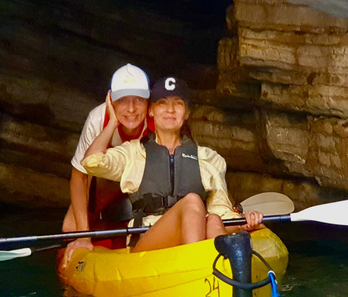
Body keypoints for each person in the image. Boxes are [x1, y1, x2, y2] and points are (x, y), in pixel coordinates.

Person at [81, 76, 263, 253]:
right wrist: (113, 122)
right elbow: (91, 162)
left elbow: (222, 211)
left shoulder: (208, 159)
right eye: (162, 103)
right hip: (148, 240)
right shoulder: (133, 154)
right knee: (192, 201)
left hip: (194, 234)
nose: (170, 110)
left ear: (187, 112)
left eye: (178, 103)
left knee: (214, 219)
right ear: (151, 111)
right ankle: (197, 266)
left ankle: (218, 272)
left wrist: (243, 222)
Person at [61, 63, 152, 263]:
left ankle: (129, 231)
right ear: (111, 99)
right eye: (123, 100)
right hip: (107, 182)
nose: (131, 109)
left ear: (148, 100)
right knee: (70, 228)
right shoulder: (98, 118)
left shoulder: (156, 120)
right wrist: (83, 236)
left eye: (138, 99)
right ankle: (105, 233)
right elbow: (79, 177)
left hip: (145, 182)